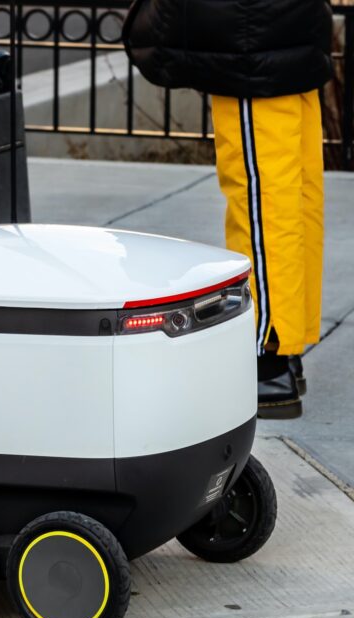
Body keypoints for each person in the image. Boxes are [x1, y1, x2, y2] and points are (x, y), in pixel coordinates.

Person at [124, 0, 334, 419]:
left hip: (250, 36)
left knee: (260, 197)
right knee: (292, 190)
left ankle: (265, 358)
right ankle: (285, 344)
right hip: (284, 28)